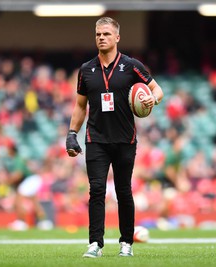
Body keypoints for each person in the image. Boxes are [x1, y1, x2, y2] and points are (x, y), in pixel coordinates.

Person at [66, 17, 163, 258]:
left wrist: (154, 99)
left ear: (117, 37)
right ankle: (95, 244)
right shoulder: (86, 70)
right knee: (96, 190)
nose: (101, 37)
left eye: (106, 34)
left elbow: (157, 89)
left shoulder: (131, 66)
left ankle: (126, 243)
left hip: (125, 139)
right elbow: (80, 106)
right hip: (95, 139)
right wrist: (71, 134)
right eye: (98, 34)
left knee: (123, 191)